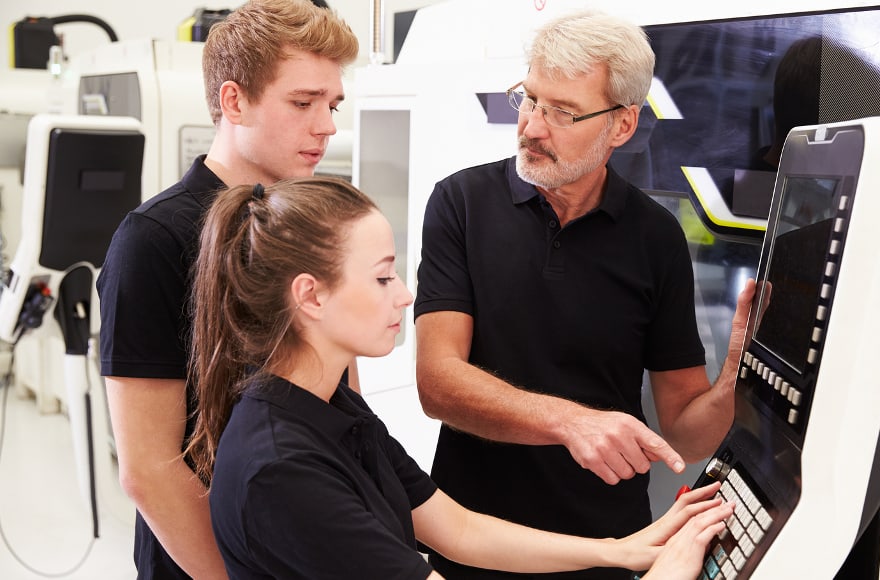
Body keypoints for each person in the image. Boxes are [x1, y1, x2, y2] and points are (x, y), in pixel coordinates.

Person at [185, 176, 736, 579]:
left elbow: (460, 530)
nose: (403, 294)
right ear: (311, 295)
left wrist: (620, 549)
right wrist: (673, 572)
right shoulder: (281, 470)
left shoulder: (333, 409)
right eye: (382, 277)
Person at [414, 10, 756, 579]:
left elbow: (687, 431)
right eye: (529, 99)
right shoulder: (461, 203)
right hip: (471, 539)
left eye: (563, 112)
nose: (531, 127)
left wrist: (733, 381)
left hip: (608, 547)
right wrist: (572, 422)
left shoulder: (655, 237)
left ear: (622, 126)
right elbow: (438, 383)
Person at [96, 1, 358, 578]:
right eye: (303, 102)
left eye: (332, 104)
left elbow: (344, 404)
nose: (328, 125)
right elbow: (150, 467)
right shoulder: (154, 241)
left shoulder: (314, 227)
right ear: (235, 101)